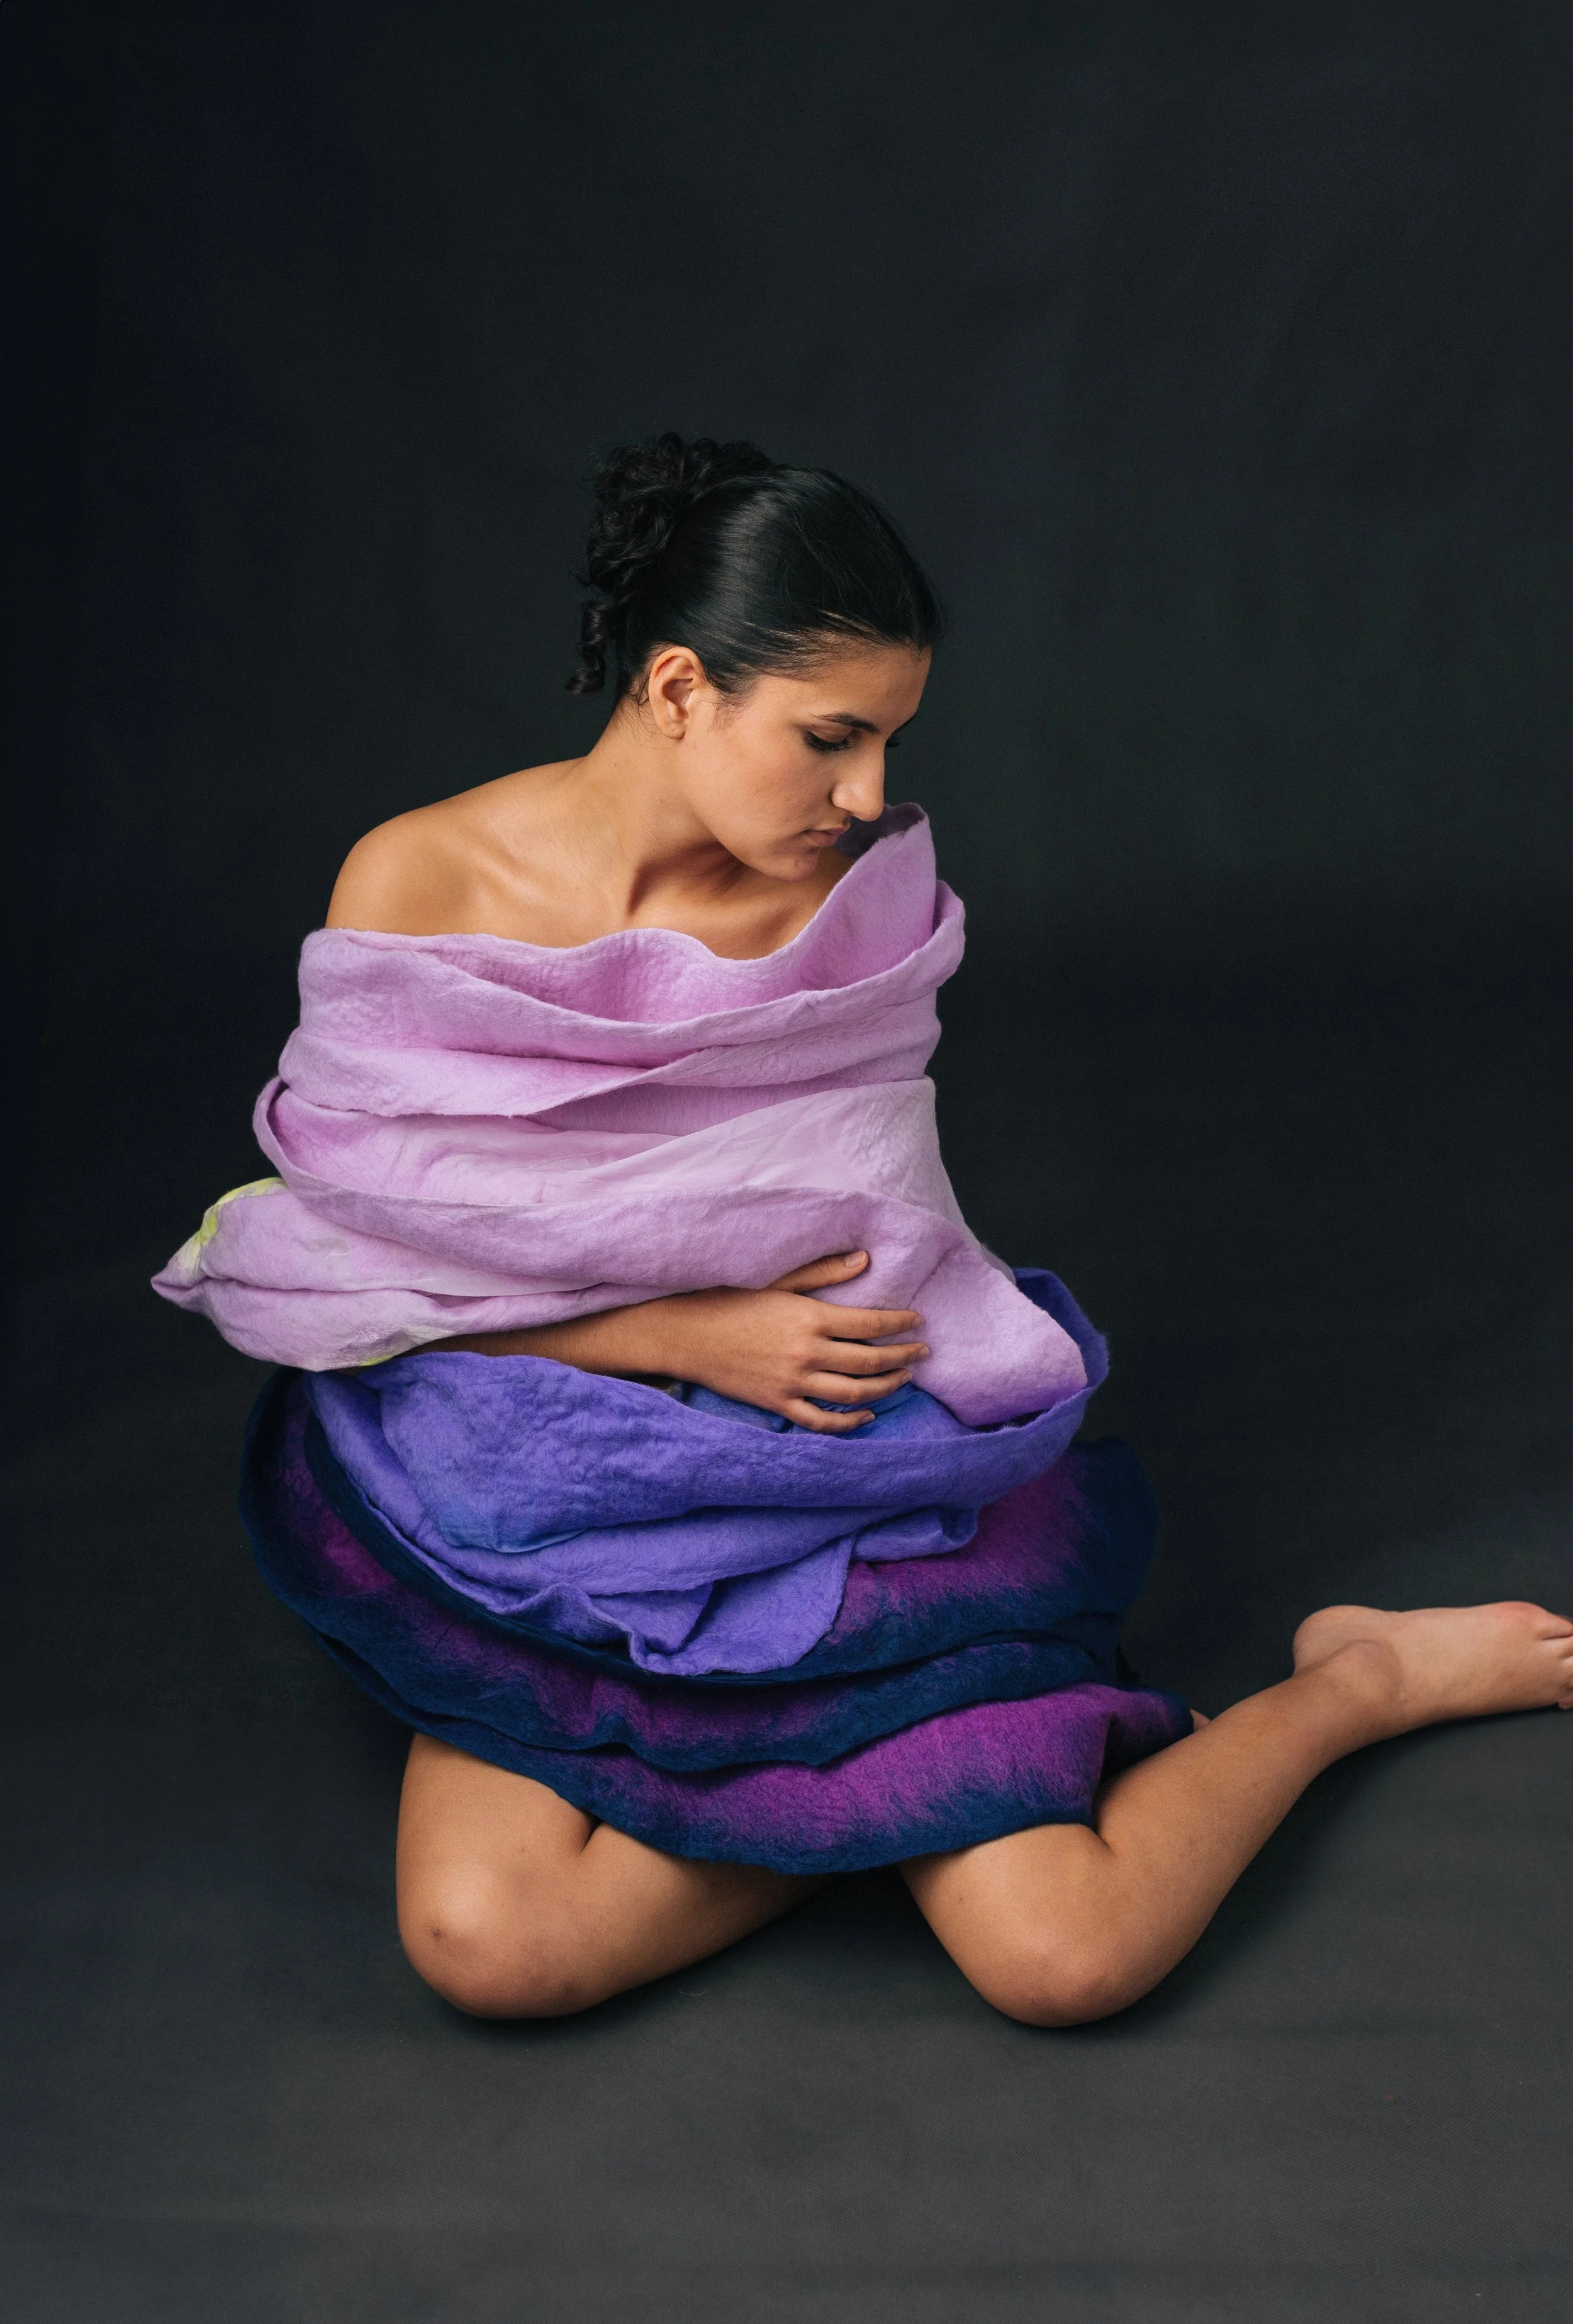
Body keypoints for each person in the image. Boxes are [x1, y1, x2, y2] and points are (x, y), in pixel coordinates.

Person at [156, 434, 1573, 2026]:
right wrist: (678, 1334)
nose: (869, 797)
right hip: (542, 1481)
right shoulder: (414, 878)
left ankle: (1350, 1684)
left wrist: (760, 1357)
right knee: (490, 1946)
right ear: (680, 687)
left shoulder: (853, 903)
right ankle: (841, 1792)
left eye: (890, 741)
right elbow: (356, 1256)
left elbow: (884, 1241)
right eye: (830, 738)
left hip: (828, 1473)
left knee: (1065, 1960)